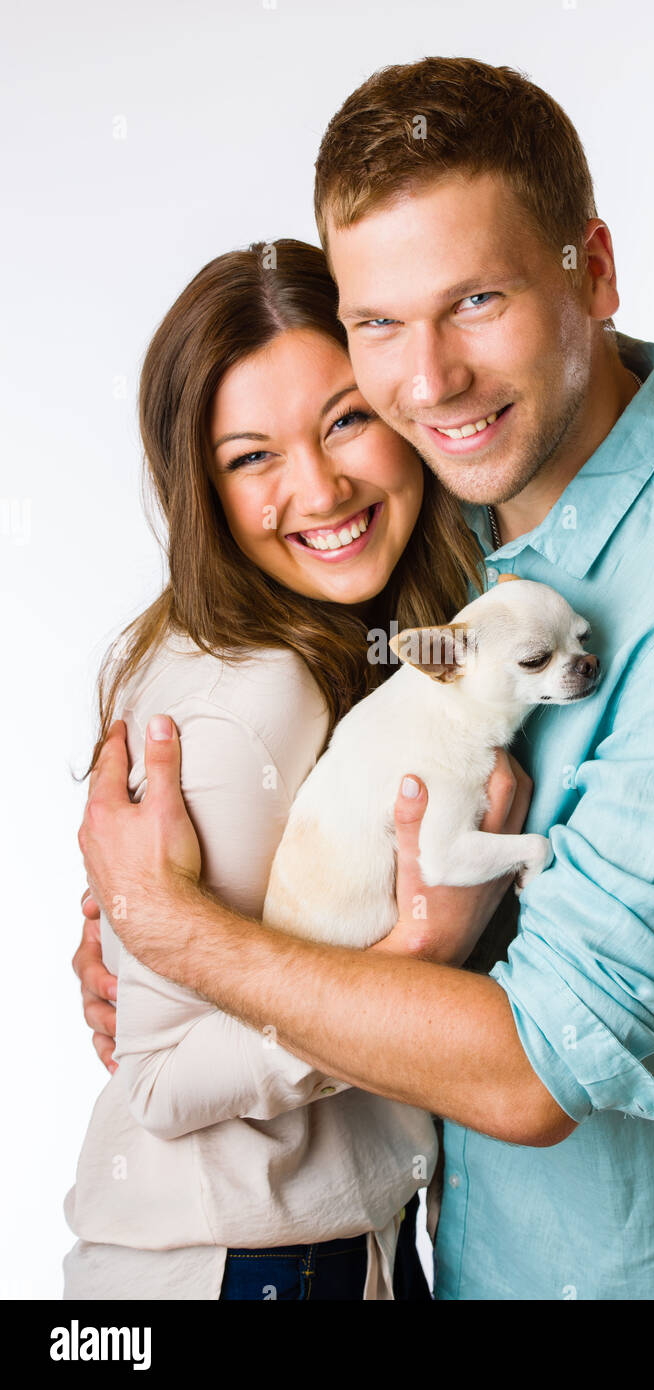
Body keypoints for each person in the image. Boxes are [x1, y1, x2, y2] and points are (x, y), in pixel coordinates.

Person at [77, 57, 654, 1300]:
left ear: (591, 271)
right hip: (448, 1261)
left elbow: (540, 1069)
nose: (428, 380)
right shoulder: (449, 504)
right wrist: (133, 938)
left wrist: (183, 935)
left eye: (478, 298)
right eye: (379, 322)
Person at [64, 235, 529, 1301]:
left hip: (328, 1250)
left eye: (345, 420)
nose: (319, 489)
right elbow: (161, 1077)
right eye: (251, 456)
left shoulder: (368, 651)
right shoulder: (261, 690)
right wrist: (416, 949)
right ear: (203, 489)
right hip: (248, 1270)